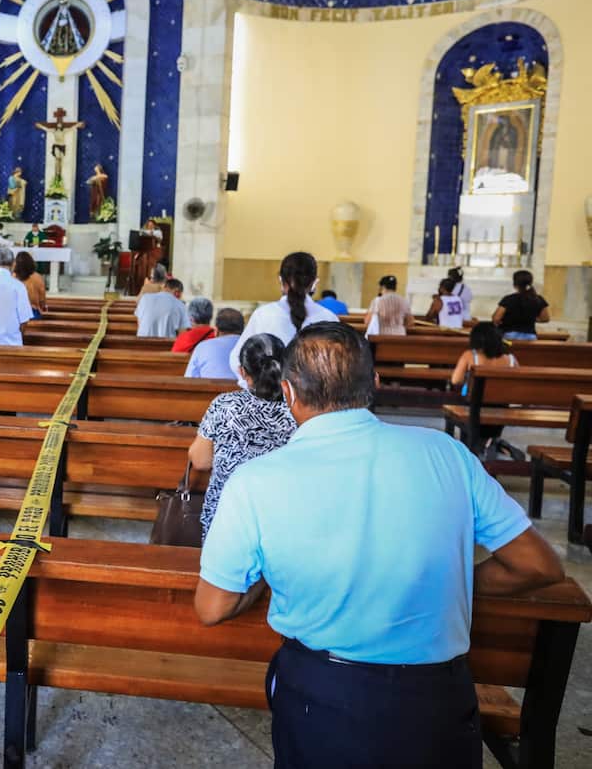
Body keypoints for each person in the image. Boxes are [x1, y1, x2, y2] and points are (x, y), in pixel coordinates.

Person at [196, 322, 563, 768]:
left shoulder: (255, 480)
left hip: (323, 695)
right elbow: (538, 566)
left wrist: (265, 580)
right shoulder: (446, 454)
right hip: (437, 700)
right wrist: (443, 583)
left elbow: (212, 607)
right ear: (373, 383)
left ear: (289, 393)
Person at [190, 334, 297, 541]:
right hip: (281, 522)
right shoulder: (299, 409)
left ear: (242, 372)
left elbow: (200, 461)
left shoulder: (224, 405)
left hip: (225, 520)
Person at [227, 251, 337, 380]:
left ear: (281, 280)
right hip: (314, 397)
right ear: (314, 282)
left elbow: (237, 360)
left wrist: (255, 387)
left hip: (268, 395)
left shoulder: (263, 314)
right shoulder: (329, 318)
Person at [452, 322, 520, 460]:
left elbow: (456, 380)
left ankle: (475, 448)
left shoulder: (470, 356)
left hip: (474, 408)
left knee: (462, 406)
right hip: (502, 408)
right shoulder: (511, 359)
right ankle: (491, 442)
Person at [185, 308, 245, 380]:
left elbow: (190, 378)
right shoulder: (251, 346)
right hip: (243, 390)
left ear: (216, 331)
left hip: (208, 390)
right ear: (243, 330)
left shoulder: (202, 347)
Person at [493, 269, 549, 341]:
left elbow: (496, 318)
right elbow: (545, 318)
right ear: (531, 283)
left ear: (515, 284)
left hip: (509, 335)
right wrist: (531, 318)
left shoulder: (509, 299)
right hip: (530, 337)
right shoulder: (538, 299)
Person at [15, 250, 46, 319]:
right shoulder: (38, 277)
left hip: (16, 312)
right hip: (33, 312)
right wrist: (42, 307)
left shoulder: (12, 277)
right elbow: (42, 300)